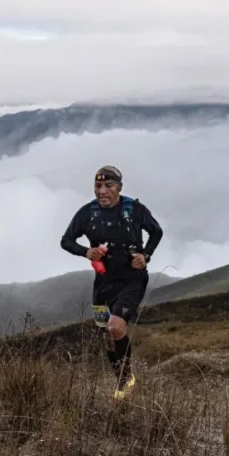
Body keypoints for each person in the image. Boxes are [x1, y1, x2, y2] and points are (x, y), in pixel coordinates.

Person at [60, 165, 164, 399]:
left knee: (116, 326)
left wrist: (145, 255)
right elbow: (66, 240)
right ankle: (120, 380)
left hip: (132, 278)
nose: (102, 191)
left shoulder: (135, 209)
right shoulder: (87, 213)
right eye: (98, 186)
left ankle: (127, 380)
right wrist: (86, 252)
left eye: (109, 186)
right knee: (106, 336)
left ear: (119, 188)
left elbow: (156, 232)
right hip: (104, 282)